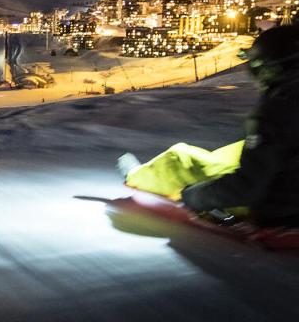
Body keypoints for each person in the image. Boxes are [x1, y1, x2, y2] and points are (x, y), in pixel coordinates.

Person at [123, 25, 299, 226]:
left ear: (269, 68)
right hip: (285, 192)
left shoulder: (279, 108)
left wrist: (193, 197)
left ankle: (140, 177)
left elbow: (246, 187)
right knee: (240, 150)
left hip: (279, 210)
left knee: (180, 158)